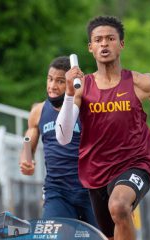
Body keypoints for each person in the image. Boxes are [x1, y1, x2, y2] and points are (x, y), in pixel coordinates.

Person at [55, 16, 150, 240]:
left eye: (110, 38)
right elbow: (64, 136)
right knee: (110, 234)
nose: (104, 44)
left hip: (136, 162)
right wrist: (68, 92)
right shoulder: (82, 87)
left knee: (120, 206)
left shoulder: (140, 82)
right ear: (91, 47)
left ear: (121, 44)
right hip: (96, 170)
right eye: (98, 40)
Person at [19, 56, 97, 227]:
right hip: (57, 192)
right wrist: (26, 158)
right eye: (50, 79)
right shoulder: (38, 111)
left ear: (70, 82)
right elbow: (28, 142)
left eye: (60, 81)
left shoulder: (88, 109)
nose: (52, 86)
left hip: (91, 190)